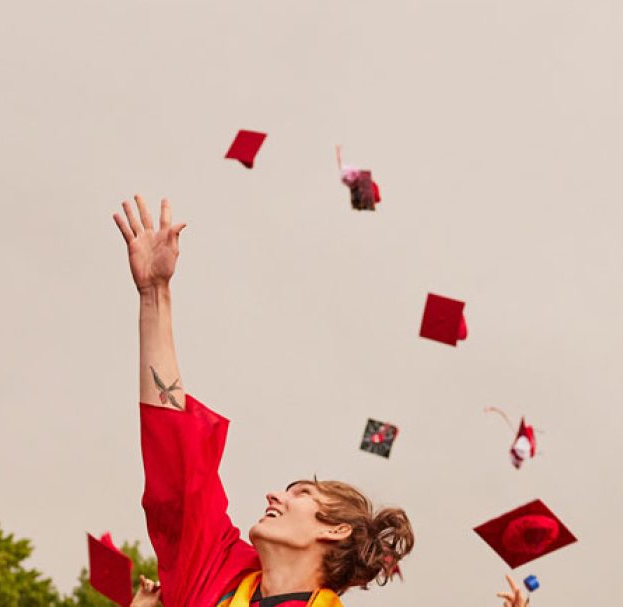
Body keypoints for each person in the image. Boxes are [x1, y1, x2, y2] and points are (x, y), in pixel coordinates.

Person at [113, 195, 413, 607]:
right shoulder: (218, 574)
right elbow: (176, 463)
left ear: (335, 530)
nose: (275, 495)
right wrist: (154, 295)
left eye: (302, 493)